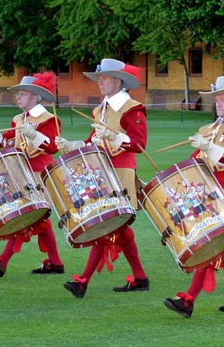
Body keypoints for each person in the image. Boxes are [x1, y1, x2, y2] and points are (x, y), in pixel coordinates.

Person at [164, 76, 224, 318]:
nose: (218, 102)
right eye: (216, 98)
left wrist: (209, 148)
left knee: (211, 244)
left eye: (223, 98)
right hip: (207, 196)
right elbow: (196, 160)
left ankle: (188, 300)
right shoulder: (209, 128)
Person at [56, 58, 149, 298]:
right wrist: (71, 145)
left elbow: (139, 144)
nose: (100, 82)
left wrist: (115, 137)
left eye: (104, 78)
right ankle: (140, 278)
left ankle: (83, 280)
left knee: (105, 224)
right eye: (99, 78)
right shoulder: (101, 108)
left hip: (120, 172)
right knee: (118, 229)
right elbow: (92, 142)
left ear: (118, 81)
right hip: (102, 173)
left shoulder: (132, 108)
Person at [0, 73, 65, 278]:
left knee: (26, 216)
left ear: (35, 97)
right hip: (21, 174)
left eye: (22, 94)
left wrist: (34, 135)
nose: (18, 97)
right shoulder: (18, 119)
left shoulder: (48, 118)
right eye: (18, 94)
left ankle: (1, 261)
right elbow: (9, 143)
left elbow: (52, 147)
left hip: (39, 176)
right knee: (37, 220)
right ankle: (55, 263)